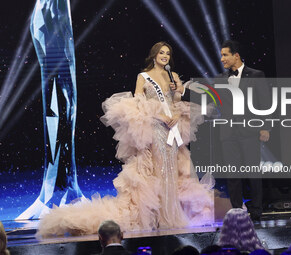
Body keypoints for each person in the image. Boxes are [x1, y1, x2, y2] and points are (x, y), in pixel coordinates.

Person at [36, 41, 214, 237]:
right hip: (155, 129)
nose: (165, 56)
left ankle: (169, 214)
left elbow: (176, 103)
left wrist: (178, 93)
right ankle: (154, 217)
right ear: (154, 55)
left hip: (172, 130)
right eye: (162, 52)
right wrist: (160, 116)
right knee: (155, 172)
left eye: (168, 54)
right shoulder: (143, 77)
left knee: (172, 172)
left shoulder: (174, 76)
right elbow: (138, 103)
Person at [217, 40, 272, 220]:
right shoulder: (220, 79)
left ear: (236, 56)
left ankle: (256, 211)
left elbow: (265, 103)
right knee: (233, 174)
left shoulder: (256, 75)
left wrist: (265, 126)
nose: (222, 58)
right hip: (228, 133)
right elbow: (211, 100)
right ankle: (236, 212)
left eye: (225, 55)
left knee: (253, 173)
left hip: (250, 131)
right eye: (222, 55)